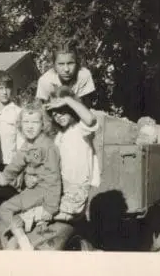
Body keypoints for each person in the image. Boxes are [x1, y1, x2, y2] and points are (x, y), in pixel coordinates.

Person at [0, 100, 62, 249]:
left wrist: (51, 208)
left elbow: (54, 178)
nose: (30, 126)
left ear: (43, 124)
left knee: (4, 209)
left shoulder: (48, 146)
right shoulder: (27, 145)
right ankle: (12, 242)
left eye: (35, 122)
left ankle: (21, 238)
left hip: (44, 192)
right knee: (4, 212)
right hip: (33, 190)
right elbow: (14, 166)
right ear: (20, 124)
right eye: (26, 122)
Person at [43, 86, 101, 222]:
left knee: (52, 215)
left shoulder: (81, 128)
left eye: (61, 110)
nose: (57, 115)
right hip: (63, 185)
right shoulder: (59, 136)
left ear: (71, 108)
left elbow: (90, 119)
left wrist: (67, 100)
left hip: (78, 187)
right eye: (54, 113)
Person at [36, 39, 97, 109]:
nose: (66, 69)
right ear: (54, 65)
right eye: (61, 64)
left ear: (77, 63)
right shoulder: (45, 81)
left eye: (70, 63)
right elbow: (44, 111)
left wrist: (68, 101)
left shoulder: (83, 75)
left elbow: (87, 110)